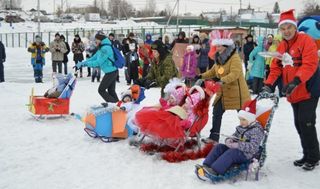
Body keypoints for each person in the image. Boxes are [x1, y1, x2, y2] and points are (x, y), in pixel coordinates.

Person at [263, 9, 320, 171]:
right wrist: (269, 84)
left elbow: (310, 64)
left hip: (308, 90)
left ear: (295, 27)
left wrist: (296, 81)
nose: (286, 31)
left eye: (289, 27)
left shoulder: (306, 40)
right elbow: (276, 68)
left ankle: (314, 157)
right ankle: (307, 154)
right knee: (299, 124)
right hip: (294, 92)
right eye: (283, 28)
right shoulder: (282, 46)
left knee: (306, 123)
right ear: (280, 30)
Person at [196, 30, 250, 144]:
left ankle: (249, 138)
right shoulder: (219, 57)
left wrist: (222, 80)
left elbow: (235, 74)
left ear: (226, 45)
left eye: (219, 46)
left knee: (244, 116)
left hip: (237, 93)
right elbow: (213, 71)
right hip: (223, 92)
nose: (217, 48)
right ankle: (214, 138)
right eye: (216, 46)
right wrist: (201, 76)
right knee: (217, 113)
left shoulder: (234, 57)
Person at [197, 99, 264, 176]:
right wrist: (230, 139)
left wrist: (238, 145)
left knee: (231, 153)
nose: (241, 122)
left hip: (247, 154)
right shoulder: (242, 127)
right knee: (219, 147)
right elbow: (235, 135)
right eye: (240, 119)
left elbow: (254, 147)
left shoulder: (256, 130)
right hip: (237, 149)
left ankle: (215, 170)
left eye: (243, 120)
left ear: (250, 119)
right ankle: (206, 165)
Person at [75, 31, 119, 103]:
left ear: (100, 40)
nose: (95, 41)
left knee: (101, 90)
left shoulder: (106, 49)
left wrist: (85, 65)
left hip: (111, 72)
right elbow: (93, 58)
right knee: (111, 90)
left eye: (96, 40)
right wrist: (82, 63)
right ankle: (118, 105)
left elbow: (98, 62)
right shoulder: (101, 48)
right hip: (111, 71)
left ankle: (115, 105)